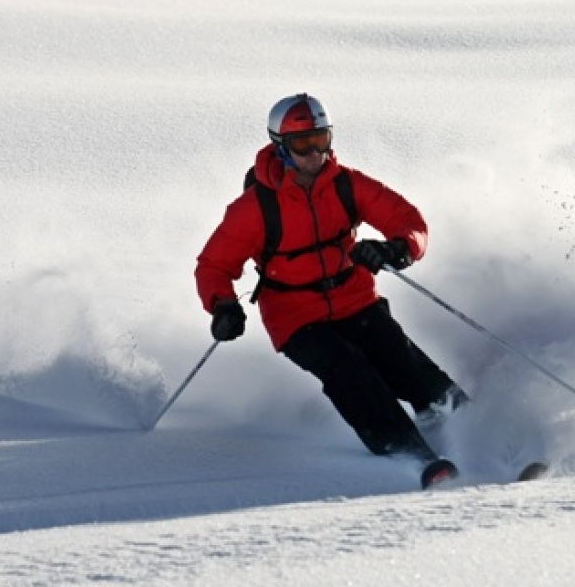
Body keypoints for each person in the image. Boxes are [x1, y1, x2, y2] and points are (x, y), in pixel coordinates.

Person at [195, 93, 467, 484]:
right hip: (295, 316)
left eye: (322, 140)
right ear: (281, 147)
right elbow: (213, 266)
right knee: (348, 370)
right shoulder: (256, 208)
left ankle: (486, 434)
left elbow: (407, 219)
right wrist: (222, 306)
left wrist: (397, 248)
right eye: (303, 144)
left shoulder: (346, 185)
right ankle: (414, 454)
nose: (315, 154)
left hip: (354, 298)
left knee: (403, 362)